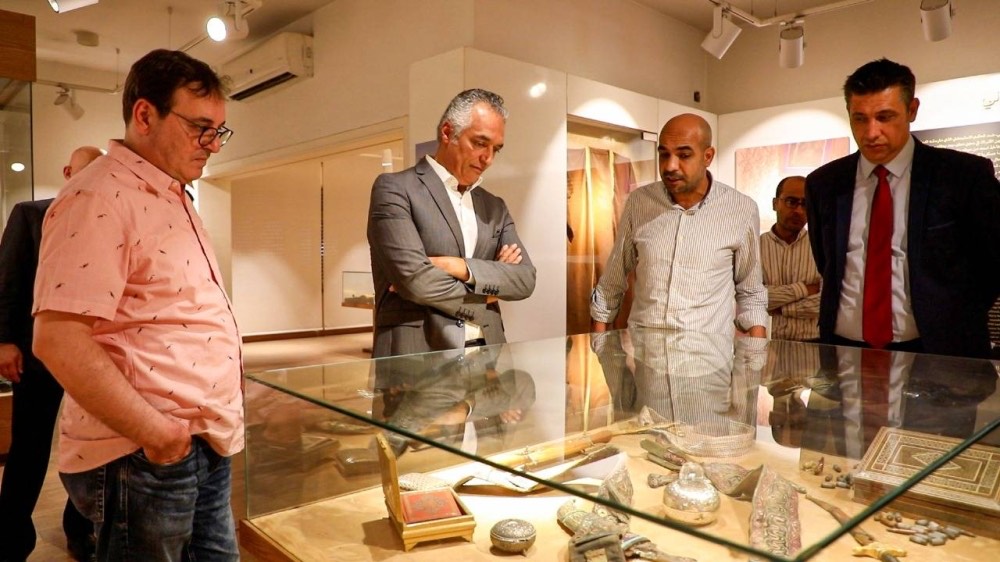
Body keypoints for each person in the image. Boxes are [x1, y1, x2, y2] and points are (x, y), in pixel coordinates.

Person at [31, 49, 242, 561]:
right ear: (145, 115)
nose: (213, 144)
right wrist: (158, 434)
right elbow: (58, 338)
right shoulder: (99, 196)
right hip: (144, 454)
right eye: (200, 128)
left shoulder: (171, 195)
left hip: (199, 442)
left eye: (219, 130)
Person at [806, 58, 1000, 358]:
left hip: (939, 351)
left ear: (912, 110)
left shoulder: (963, 176)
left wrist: (954, 317)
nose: (871, 132)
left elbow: (991, 264)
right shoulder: (825, 184)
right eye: (860, 118)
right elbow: (827, 262)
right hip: (845, 350)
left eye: (884, 117)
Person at [366, 88, 536, 362]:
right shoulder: (395, 189)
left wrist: (458, 266)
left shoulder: (494, 207)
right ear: (448, 133)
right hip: (417, 358)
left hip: (489, 360)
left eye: (496, 149)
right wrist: (489, 292)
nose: (488, 158)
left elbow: (524, 279)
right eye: (480, 143)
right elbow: (415, 281)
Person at [0, 146, 102, 562]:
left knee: (89, 445)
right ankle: (10, 540)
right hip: (37, 353)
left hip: (91, 355)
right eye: (85, 172)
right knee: (29, 446)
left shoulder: (105, 219)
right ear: (67, 171)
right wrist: (4, 340)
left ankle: (80, 530)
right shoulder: (30, 214)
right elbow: (7, 279)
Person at [590, 113, 768, 337]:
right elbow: (611, 284)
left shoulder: (741, 209)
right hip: (646, 352)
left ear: (708, 156)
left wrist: (756, 355)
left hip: (708, 354)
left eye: (684, 155)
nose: (670, 166)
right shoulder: (639, 202)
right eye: (664, 154)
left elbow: (751, 293)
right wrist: (598, 346)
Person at [760, 176, 821, 342]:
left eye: (805, 204)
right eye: (791, 202)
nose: (799, 211)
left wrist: (780, 309)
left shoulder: (822, 246)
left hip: (814, 344)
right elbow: (753, 298)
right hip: (768, 344)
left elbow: (826, 302)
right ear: (775, 204)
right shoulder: (755, 247)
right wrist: (805, 289)